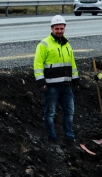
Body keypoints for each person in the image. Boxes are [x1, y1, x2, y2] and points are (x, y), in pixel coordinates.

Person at [33, 15, 78, 145]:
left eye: (62, 28)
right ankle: (51, 138)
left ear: (64, 29)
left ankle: (69, 136)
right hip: (51, 86)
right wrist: (41, 82)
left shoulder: (67, 44)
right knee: (50, 113)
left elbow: (72, 64)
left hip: (66, 85)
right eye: (57, 28)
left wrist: (76, 79)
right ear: (52, 29)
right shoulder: (44, 44)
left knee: (69, 112)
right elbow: (38, 65)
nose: (59, 31)